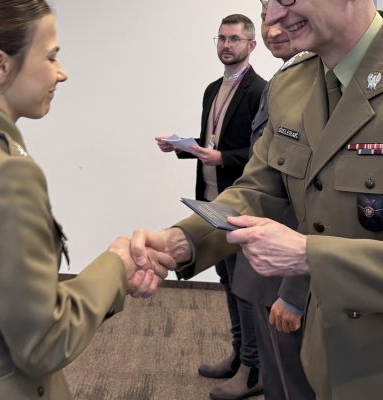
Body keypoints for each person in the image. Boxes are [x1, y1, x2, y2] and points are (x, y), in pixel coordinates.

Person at [132, 0, 383, 399]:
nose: (274, 18)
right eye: (266, 4)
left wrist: (308, 256)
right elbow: (259, 190)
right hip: (324, 361)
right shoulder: (293, 83)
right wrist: (181, 242)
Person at [0, 1, 173, 399]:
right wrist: (117, 263)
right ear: (0, 65)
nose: (62, 72)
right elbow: (43, 342)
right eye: (51, 55)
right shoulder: (4, 173)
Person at [155, 14, 266, 400]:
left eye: (235, 39)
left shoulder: (260, 91)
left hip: (240, 202)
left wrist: (223, 158)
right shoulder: (211, 90)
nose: (226, 45)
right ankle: (239, 356)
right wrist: (182, 148)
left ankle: (253, 370)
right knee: (227, 282)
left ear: (252, 46)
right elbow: (209, 142)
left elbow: (260, 155)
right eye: (221, 38)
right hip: (209, 201)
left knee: (246, 288)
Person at [229, 8, 315, 400]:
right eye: (266, 15)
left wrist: (295, 292)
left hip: (293, 266)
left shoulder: (319, 85)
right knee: (278, 381)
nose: (274, 28)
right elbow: (263, 172)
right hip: (264, 258)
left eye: (287, 14)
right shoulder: (285, 81)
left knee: (295, 384)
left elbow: (315, 197)